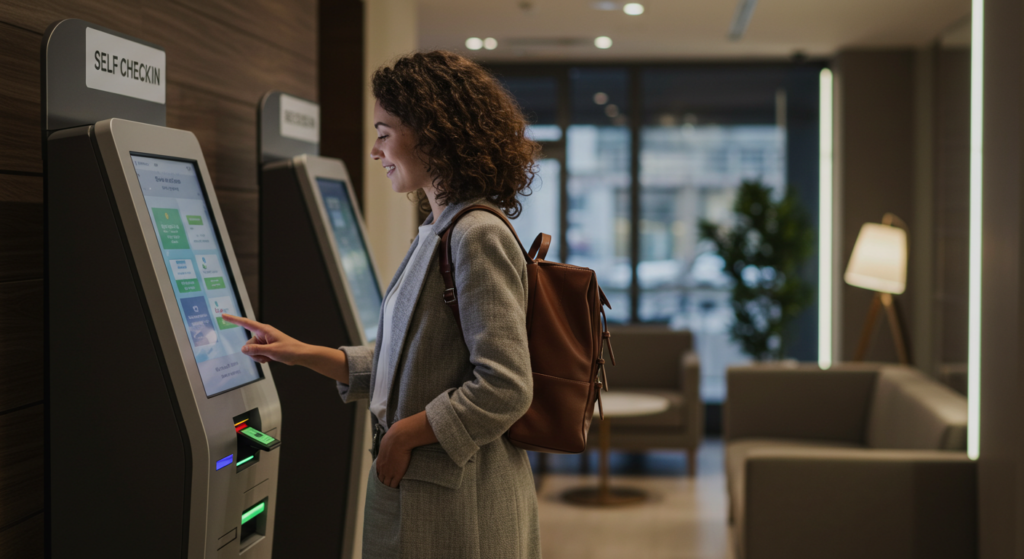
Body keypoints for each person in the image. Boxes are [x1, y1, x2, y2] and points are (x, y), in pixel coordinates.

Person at [222, 50, 541, 559]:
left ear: (432, 134)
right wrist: (302, 353)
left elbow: (505, 386)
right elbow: (413, 361)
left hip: (459, 507)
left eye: (384, 132)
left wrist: (402, 436)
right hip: (428, 495)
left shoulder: (474, 235)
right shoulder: (438, 231)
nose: (375, 150)